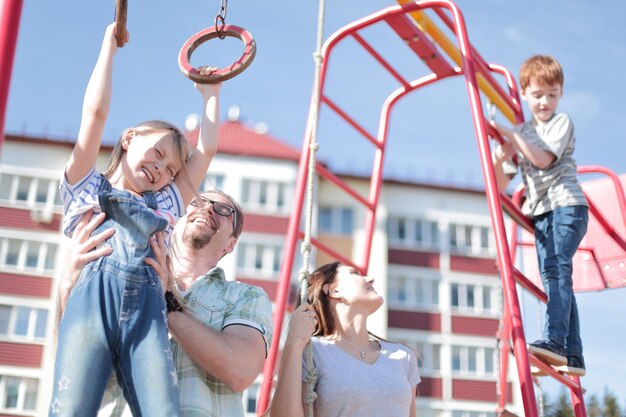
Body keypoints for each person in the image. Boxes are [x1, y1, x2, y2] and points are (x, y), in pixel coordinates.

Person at [51, 21, 222, 416]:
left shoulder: (163, 201)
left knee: (162, 409)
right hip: (90, 305)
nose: (161, 169)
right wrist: (108, 48)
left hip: (146, 313)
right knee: (71, 407)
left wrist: (211, 94)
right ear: (129, 138)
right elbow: (94, 114)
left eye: (170, 168)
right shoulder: (85, 187)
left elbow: (207, 148)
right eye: (156, 153)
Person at [59, 190, 273, 417]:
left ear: (231, 244)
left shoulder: (245, 296)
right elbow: (82, 371)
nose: (207, 208)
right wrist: (70, 288)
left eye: (222, 210)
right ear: (175, 218)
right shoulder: (127, 278)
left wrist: (165, 301)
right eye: (197, 202)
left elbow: (240, 369)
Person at [490, 55, 589, 377]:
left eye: (552, 93)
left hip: (567, 205)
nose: (545, 101)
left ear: (560, 95)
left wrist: (513, 138)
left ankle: (556, 342)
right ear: (524, 94)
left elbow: (544, 159)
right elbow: (502, 182)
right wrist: (500, 156)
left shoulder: (560, 123)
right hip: (542, 213)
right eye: (537, 94)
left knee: (556, 269)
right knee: (556, 277)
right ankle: (573, 354)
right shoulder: (520, 132)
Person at [269, 262, 420, 417]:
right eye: (355, 273)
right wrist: (293, 344)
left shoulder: (403, 356)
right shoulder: (311, 351)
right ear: (334, 290)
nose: (371, 279)